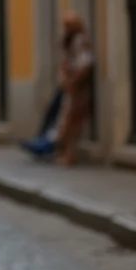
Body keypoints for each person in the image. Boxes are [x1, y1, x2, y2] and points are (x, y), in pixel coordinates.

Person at [56, 11, 95, 166]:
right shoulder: (70, 42)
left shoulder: (80, 41)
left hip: (77, 87)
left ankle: (69, 155)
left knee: (72, 121)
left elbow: (86, 64)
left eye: (67, 25)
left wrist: (72, 81)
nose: (65, 29)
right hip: (72, 86)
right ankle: (66, 153)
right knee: (68, 121)